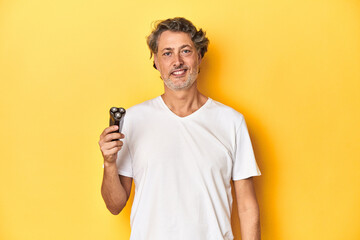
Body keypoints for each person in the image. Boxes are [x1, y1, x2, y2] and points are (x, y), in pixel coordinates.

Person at [98, 17, 261, 240]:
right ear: (156, 61)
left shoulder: (231, 121)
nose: (177, 61)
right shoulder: (133, 120)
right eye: (167, 53)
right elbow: (115, 205)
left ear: (199, 56)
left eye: (185, 51)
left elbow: (247, 206)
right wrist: (109, 163)